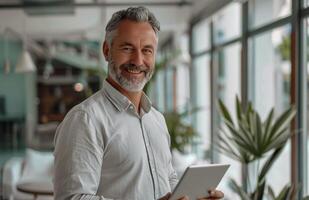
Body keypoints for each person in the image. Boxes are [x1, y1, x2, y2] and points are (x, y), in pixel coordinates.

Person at [54, 6, 224, 200]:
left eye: (147, 50)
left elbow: (168, 179)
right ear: (107, 50)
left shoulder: (157, 119)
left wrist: (194, 196)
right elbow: (72, 198)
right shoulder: (85, 119)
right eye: (127, 48)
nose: (138, 60)